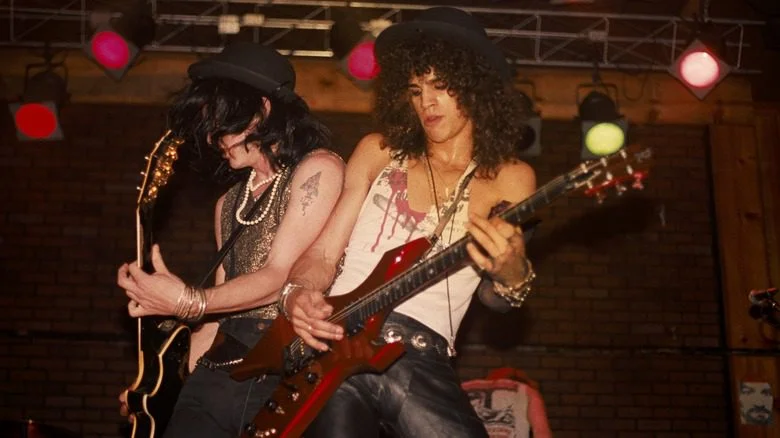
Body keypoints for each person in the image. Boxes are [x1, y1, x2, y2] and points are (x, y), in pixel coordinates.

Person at [281, 7, 537, 437]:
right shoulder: (377, 151)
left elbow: (497, 299)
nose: (426, 103)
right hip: (338, 342)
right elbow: (324, 253)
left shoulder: (510, 178)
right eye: (416, 90)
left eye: (440, 86)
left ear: (474, 89)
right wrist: (298, 293)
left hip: (421, 357)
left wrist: (513, 273)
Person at [115, 42, 344, 437]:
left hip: (283, 363)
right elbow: (217, 313)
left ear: (262, 110)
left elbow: (279, 277)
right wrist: (156, 389)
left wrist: (188, 300)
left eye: (221, 121)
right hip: (220, 370)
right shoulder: (228, 203)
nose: (211, 139)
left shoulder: (317, 169)